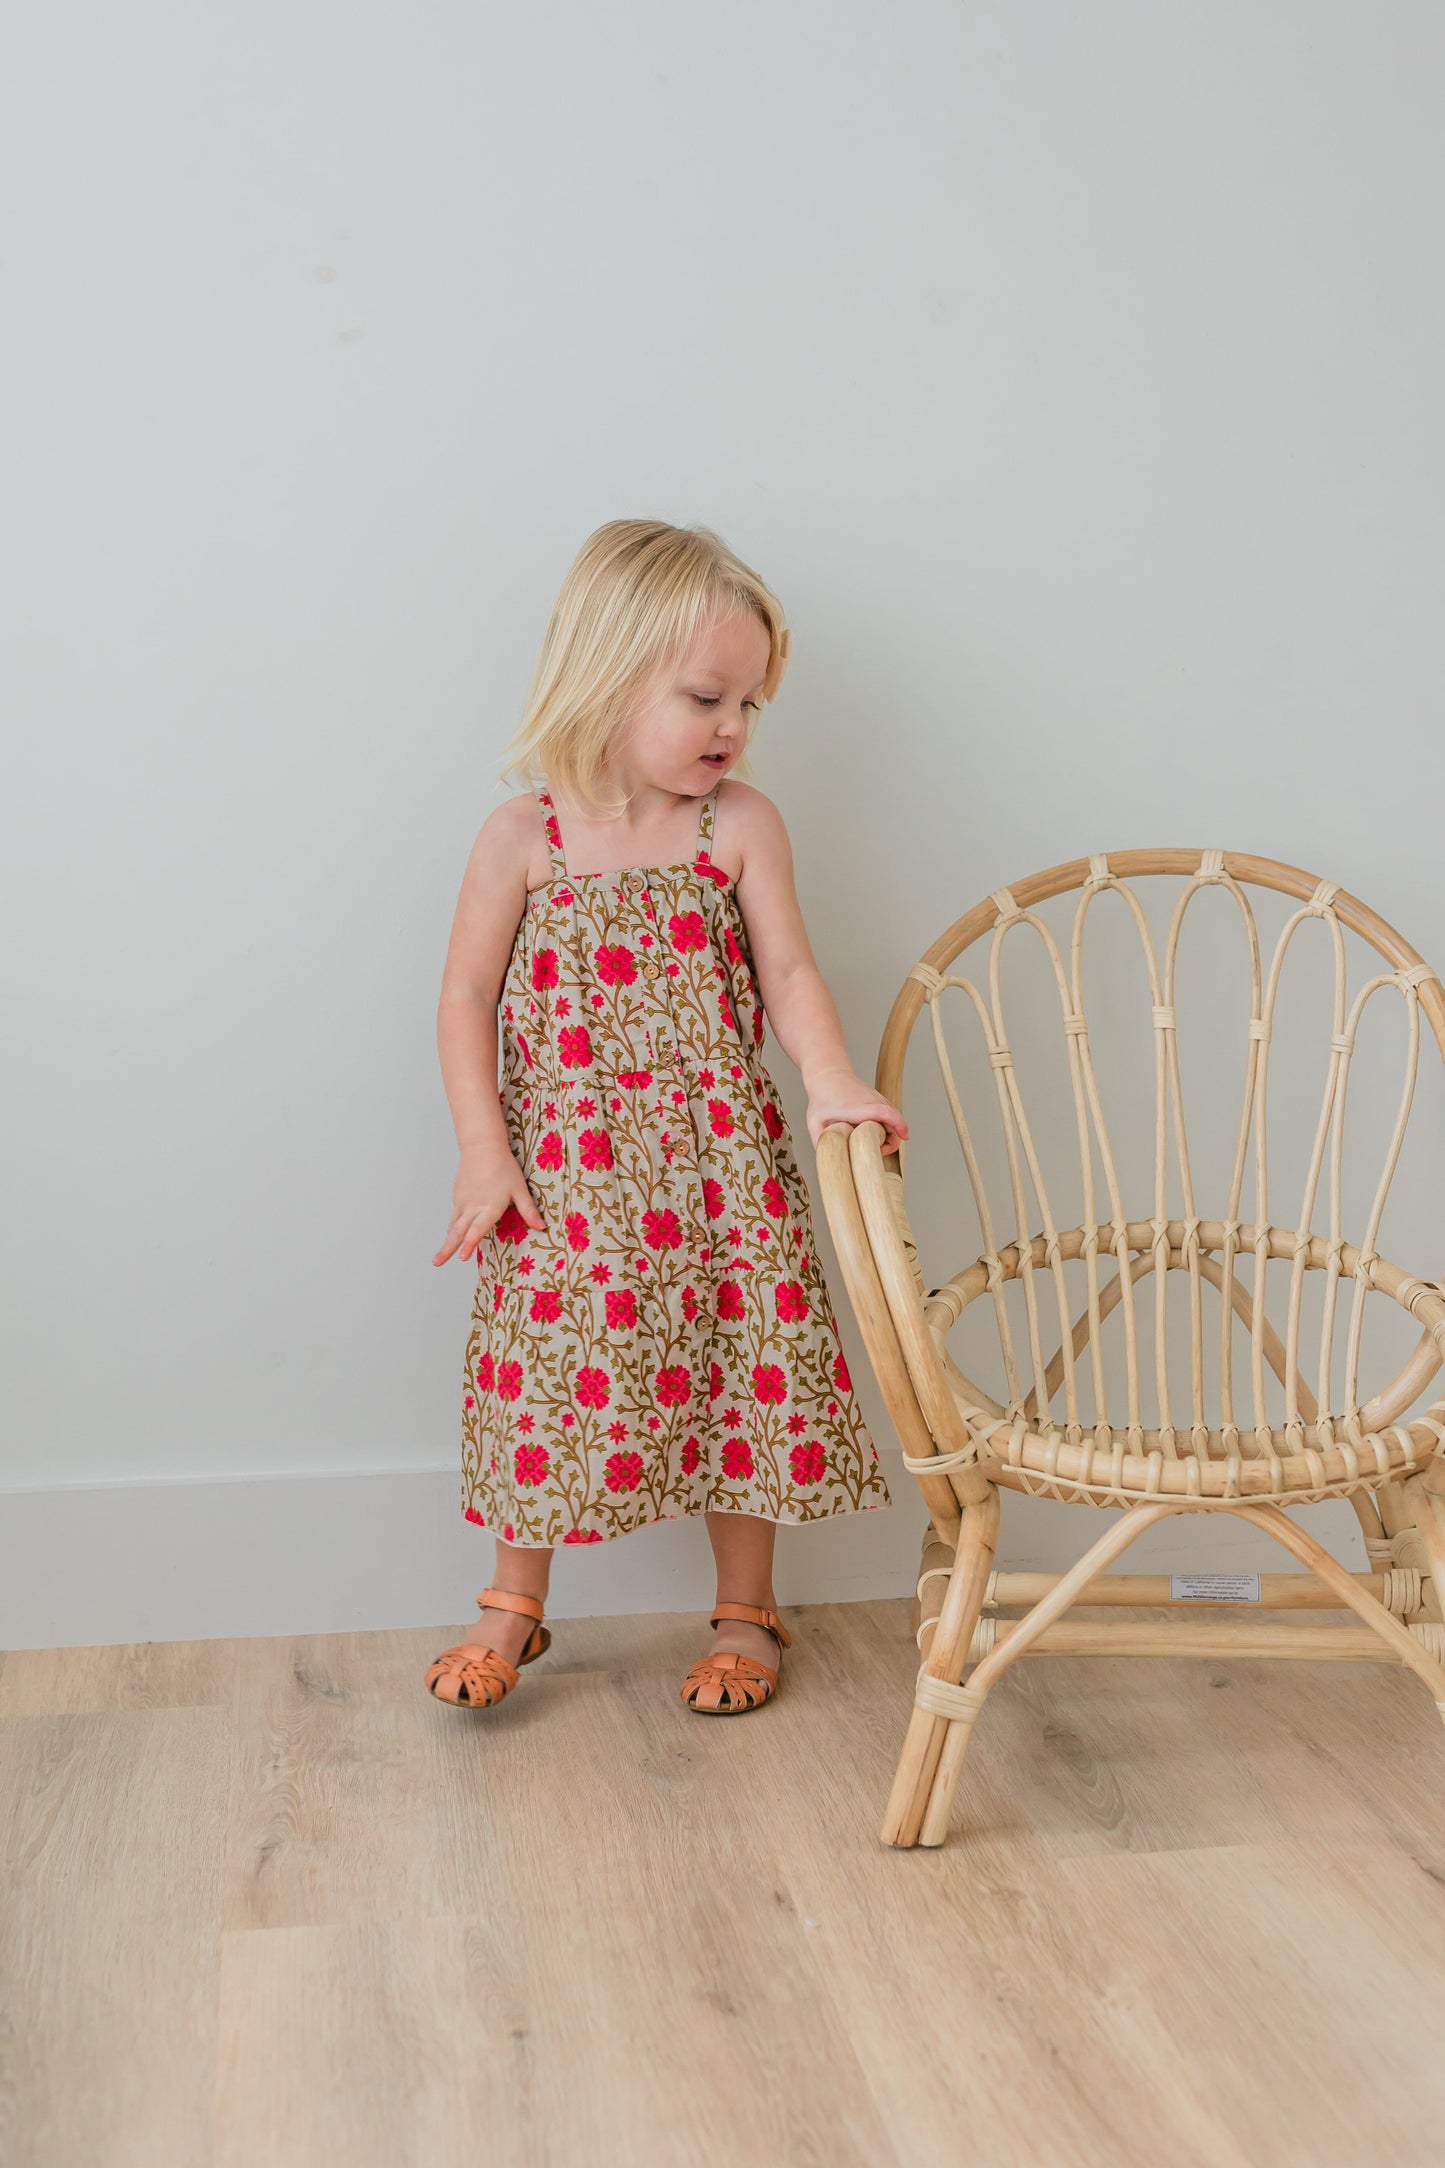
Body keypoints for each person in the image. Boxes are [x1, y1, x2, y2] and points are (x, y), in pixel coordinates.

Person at [426, 518, 907, 1717]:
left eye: (747, 702)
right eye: (705, 696)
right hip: (568, 1175)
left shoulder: (734, 827)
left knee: (738, 1374)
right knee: (540, 1377)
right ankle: (512, 1603)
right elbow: (465, 997)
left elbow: (789, 976)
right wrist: (484, 1150)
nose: (733, 727)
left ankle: (746, 1609)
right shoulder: (521, 837)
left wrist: (833, 1080)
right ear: (606, 676)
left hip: (719, 1170)